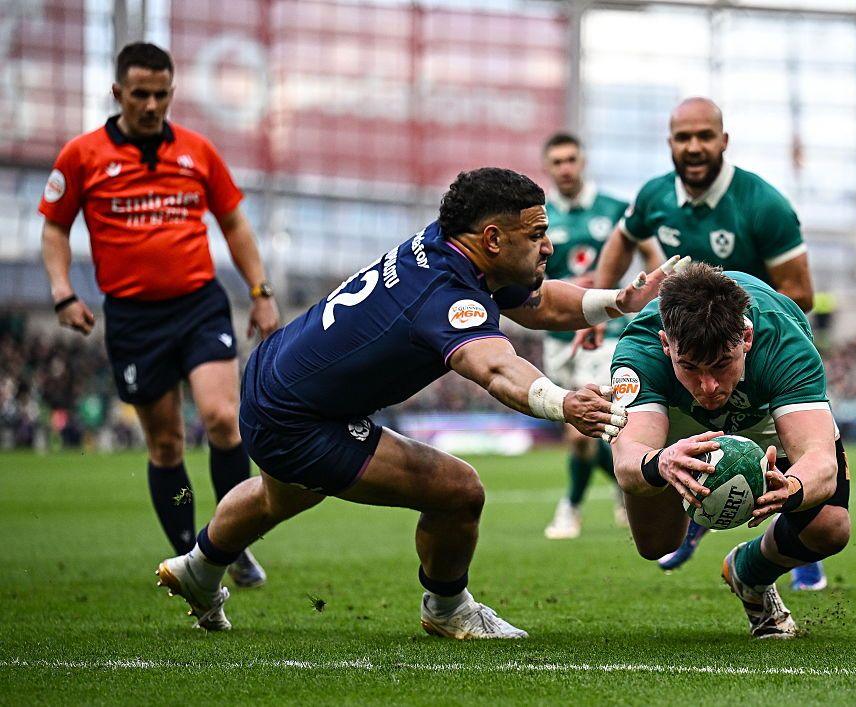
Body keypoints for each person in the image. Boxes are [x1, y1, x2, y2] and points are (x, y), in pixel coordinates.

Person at [155, 167, 685, 637]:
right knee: (458, 492)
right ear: (493, 238)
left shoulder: (448, 245)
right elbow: (494, 367)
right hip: (301, 419)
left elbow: (537, 301)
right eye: (537, 234)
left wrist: (618, 301)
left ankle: (199, 567)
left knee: (285, 497)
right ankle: (448, 608)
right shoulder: (446, 294)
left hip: (277, 377)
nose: (548, 246)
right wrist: (563, 402)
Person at [39, 43, 279, 587]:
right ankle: (192, 559)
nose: (151, 105)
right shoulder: (82, 155)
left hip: (199, 305)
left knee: (223, 418)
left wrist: (260, 291)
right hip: (133, 318)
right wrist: (62, 292)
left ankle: (231, 540)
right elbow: (55, 228)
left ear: (172, 92)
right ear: (118, 93)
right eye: (140, 94)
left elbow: (234, 224)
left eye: (161, 94)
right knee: (166, 444)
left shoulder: (197, 151)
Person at [582, 97, 823, 586]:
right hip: (685, 354)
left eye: (704, 136)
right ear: (669, 142)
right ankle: (703, 501)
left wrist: (734, 314)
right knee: (653, 541)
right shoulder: (655, 196)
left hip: (746, 348)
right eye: (683, 137)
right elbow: (623, 237)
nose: (693, 147)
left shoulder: (764, 205)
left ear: (723, 141)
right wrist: (602, 304)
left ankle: (792, 542)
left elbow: (800, 294)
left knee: (822, 515)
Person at [608, 263, 850, 638]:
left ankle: (749, 571)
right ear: (665, 344)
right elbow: (628, 461)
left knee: (830, 529)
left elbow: (820, 461)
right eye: (690, 367)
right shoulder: (639, 350)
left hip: (765, 410)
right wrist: (662, 462)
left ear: (747, 338)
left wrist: (792, 488)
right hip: (677, 419)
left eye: (722, 364)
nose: (708, 386)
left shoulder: (782, 340)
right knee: (656, 543)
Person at [539, 132, 664, 539]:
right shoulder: (540, 217)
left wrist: (645, 294)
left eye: (571, 159)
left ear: (583, 161)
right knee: (582, 435)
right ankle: (623, 487)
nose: (565, 168)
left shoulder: (613, 209)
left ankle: (570, 508)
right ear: (548, 167)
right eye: (557, 162)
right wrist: (558, 286)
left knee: (585, 430)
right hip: (558, 338)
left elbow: (651, 255)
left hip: (604, 333)